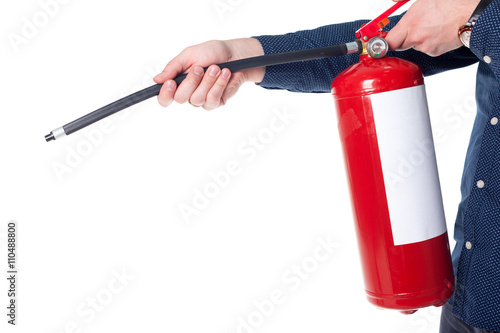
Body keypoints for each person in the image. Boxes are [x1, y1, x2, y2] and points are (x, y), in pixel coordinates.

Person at [154, 0, 500, 331]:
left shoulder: (477, 14)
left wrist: (474, 13)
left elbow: (468, 17)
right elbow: (381, 49)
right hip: (473, 291)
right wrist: (238, 57)